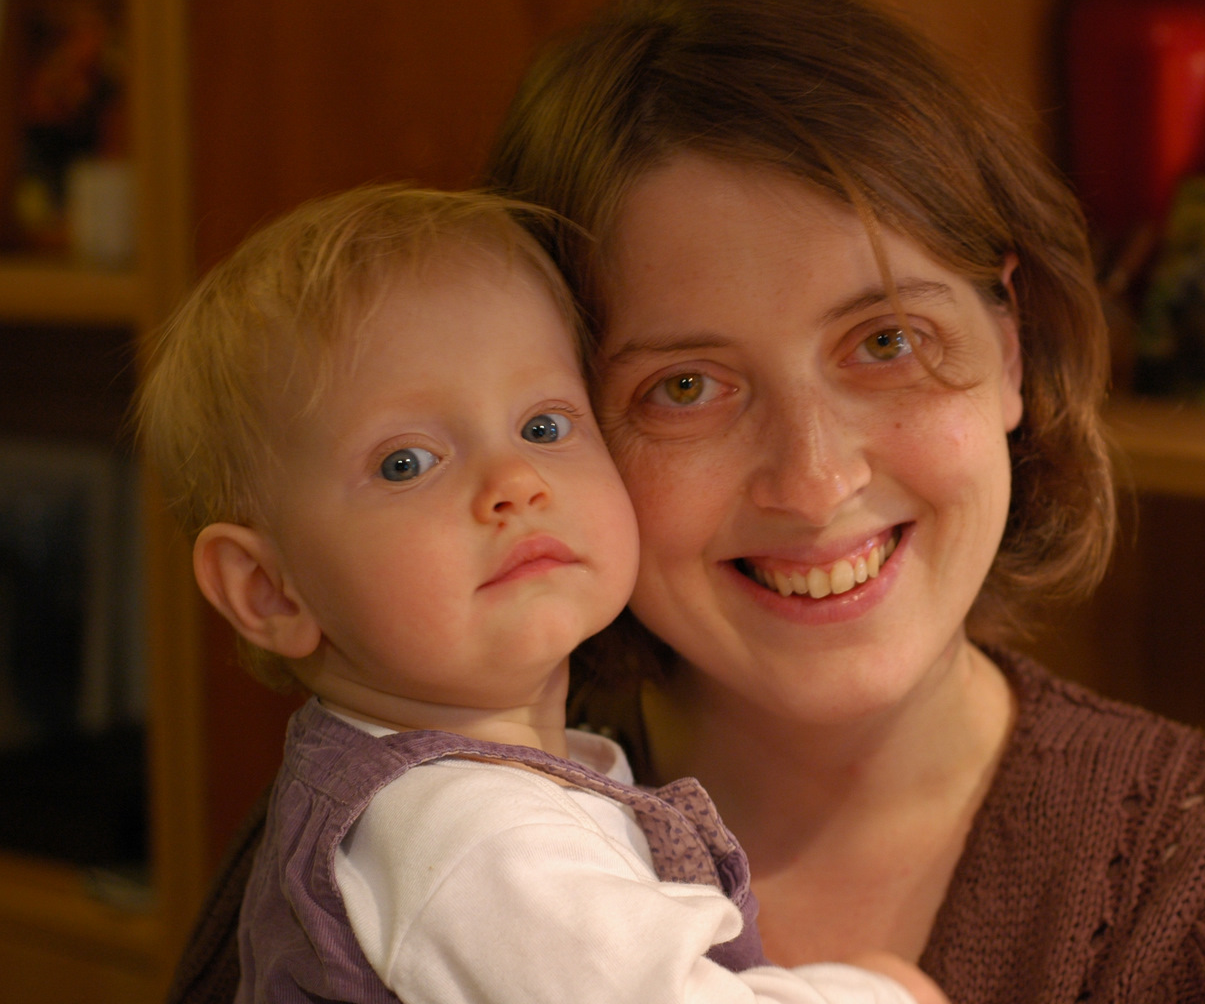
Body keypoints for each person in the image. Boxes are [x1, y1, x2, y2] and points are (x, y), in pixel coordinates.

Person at [166, 0, 1205, 1004]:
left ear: (1010, 349)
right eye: (685, 387)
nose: (814, 477)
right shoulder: (388, 829)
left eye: (887, 340)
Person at [138, 184, 944, 1004]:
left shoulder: (455, 798)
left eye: (545, 428)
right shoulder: (469, 835)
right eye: (407, 464)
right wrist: (882, 995)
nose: (514, 482)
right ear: (269, 591)